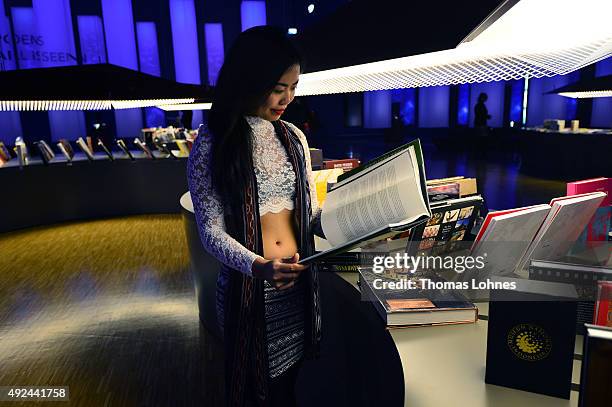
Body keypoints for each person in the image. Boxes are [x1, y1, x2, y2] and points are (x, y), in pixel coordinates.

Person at [187, 26, 322, 407]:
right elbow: (210, 230)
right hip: (250, 289)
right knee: (254, 393)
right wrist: (259, 266)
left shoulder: (294, 136)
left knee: (288, 389)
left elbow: (309, 212)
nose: (288, 98)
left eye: (294, 87)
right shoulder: (213, 143)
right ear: (250, 79)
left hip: (296, 289)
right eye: (280, 88)